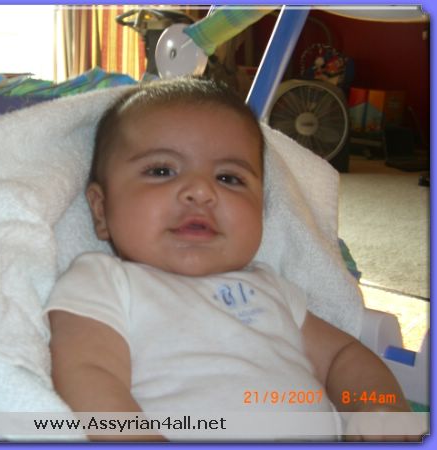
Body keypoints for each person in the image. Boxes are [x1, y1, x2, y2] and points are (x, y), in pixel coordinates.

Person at [44, 78, 417, 441]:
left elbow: (341, 357)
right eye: (161, 171)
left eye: (229, 178)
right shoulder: (105, 281)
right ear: (101, 210)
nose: (201, 191)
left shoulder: (271, 289)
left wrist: (377, 407)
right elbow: (88, 373)